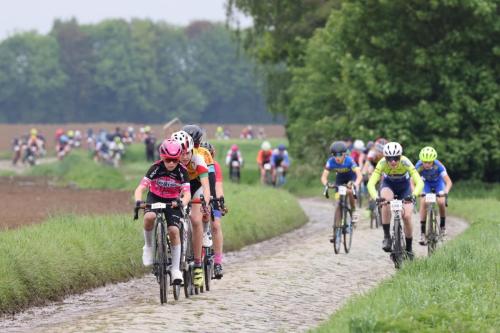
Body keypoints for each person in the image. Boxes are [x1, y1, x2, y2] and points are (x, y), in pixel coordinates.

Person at [134, 139, 191, 284]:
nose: (171, 163)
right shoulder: (155, 168)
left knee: (173, 231)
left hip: (172, 200)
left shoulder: (182, 171)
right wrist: (138, 201)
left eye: (174, 160)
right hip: (154, 196)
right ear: (162, 158)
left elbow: (187, 194)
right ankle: (148, 246)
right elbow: (141, 188)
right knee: (149, 217)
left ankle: (175, 269)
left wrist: (182, 203)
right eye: (168, 160)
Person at [367, 142, 424, 258]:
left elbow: (419, 182)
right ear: (385, 157)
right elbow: (371, 184)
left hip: (405, 188)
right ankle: (387, 236)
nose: (393, 161)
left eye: (396, 158)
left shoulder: (405, 162)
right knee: (385, 202)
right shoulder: (382, 163)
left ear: (400, 156)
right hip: (389, 185)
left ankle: (409, 248)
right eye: (389, 158)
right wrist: (376, 198)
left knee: (407, 216)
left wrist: (414, 195)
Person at [172, 130, 211, 288]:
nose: (185, 157)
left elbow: (206, 187)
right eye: (182, 154)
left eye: (188, 153)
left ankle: (197, 266)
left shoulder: (198, 159)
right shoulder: (172, 161)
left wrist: (205, 202)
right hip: (181, 186)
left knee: (195, 220)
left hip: (196, 186)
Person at [321, 141, 362, 231]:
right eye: (334, 154)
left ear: (344, 154)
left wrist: (355, 184)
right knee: (337, 203)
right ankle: (337, 228)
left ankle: (354, 212)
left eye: (339, 154)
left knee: (350, 192)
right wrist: (327, 184)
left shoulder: (349, 160)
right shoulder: (330, 161)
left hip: (351, 179)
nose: (337, 157)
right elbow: (324, 177)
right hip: (339, 180)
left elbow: (359, 175)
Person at [415, 146, 453, 244]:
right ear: (421, 160)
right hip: (425, 184)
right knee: (423, 202)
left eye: (429, 162)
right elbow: (412, 181)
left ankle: (442, 227)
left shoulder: (438, 166)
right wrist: (417, 192)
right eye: (425, 162)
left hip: (438, 184)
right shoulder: (418, 166)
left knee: (441, 202)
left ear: (433, 161)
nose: (427, 164)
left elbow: (448, 182)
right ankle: (422, 233)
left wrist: (445, 192)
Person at [201, 141, 225, 279]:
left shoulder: (215, 166)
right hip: (199, 197)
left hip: (213, 197)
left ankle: (217, 262)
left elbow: (218, 186)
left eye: (208, 155)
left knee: (216, 225)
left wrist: (221, 201)